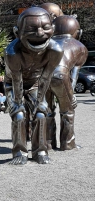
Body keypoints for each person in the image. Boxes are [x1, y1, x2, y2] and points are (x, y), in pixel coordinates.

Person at [4, 7, 64, 165]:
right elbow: (16, 80)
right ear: (17, 33)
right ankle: (19, 152)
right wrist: (18, 104)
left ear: (53, 29)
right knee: (19, 115)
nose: (39, 34)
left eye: (45, 27)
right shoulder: (12, 52)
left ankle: (40, 151)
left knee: (40, 114)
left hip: (36, 83)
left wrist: (39, 103)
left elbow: (46, 77)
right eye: (31, 29)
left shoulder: (55, 50)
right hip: (13, 84)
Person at [45, 15, 88, 150]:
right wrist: (72, 94)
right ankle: (68, 143)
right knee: (67, 111)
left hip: (43, 77)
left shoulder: (45, 43)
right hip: (60, 76)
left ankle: (47, 143)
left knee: (47, 111)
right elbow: (73, 75)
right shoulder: (80, 47)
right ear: (78, 32)